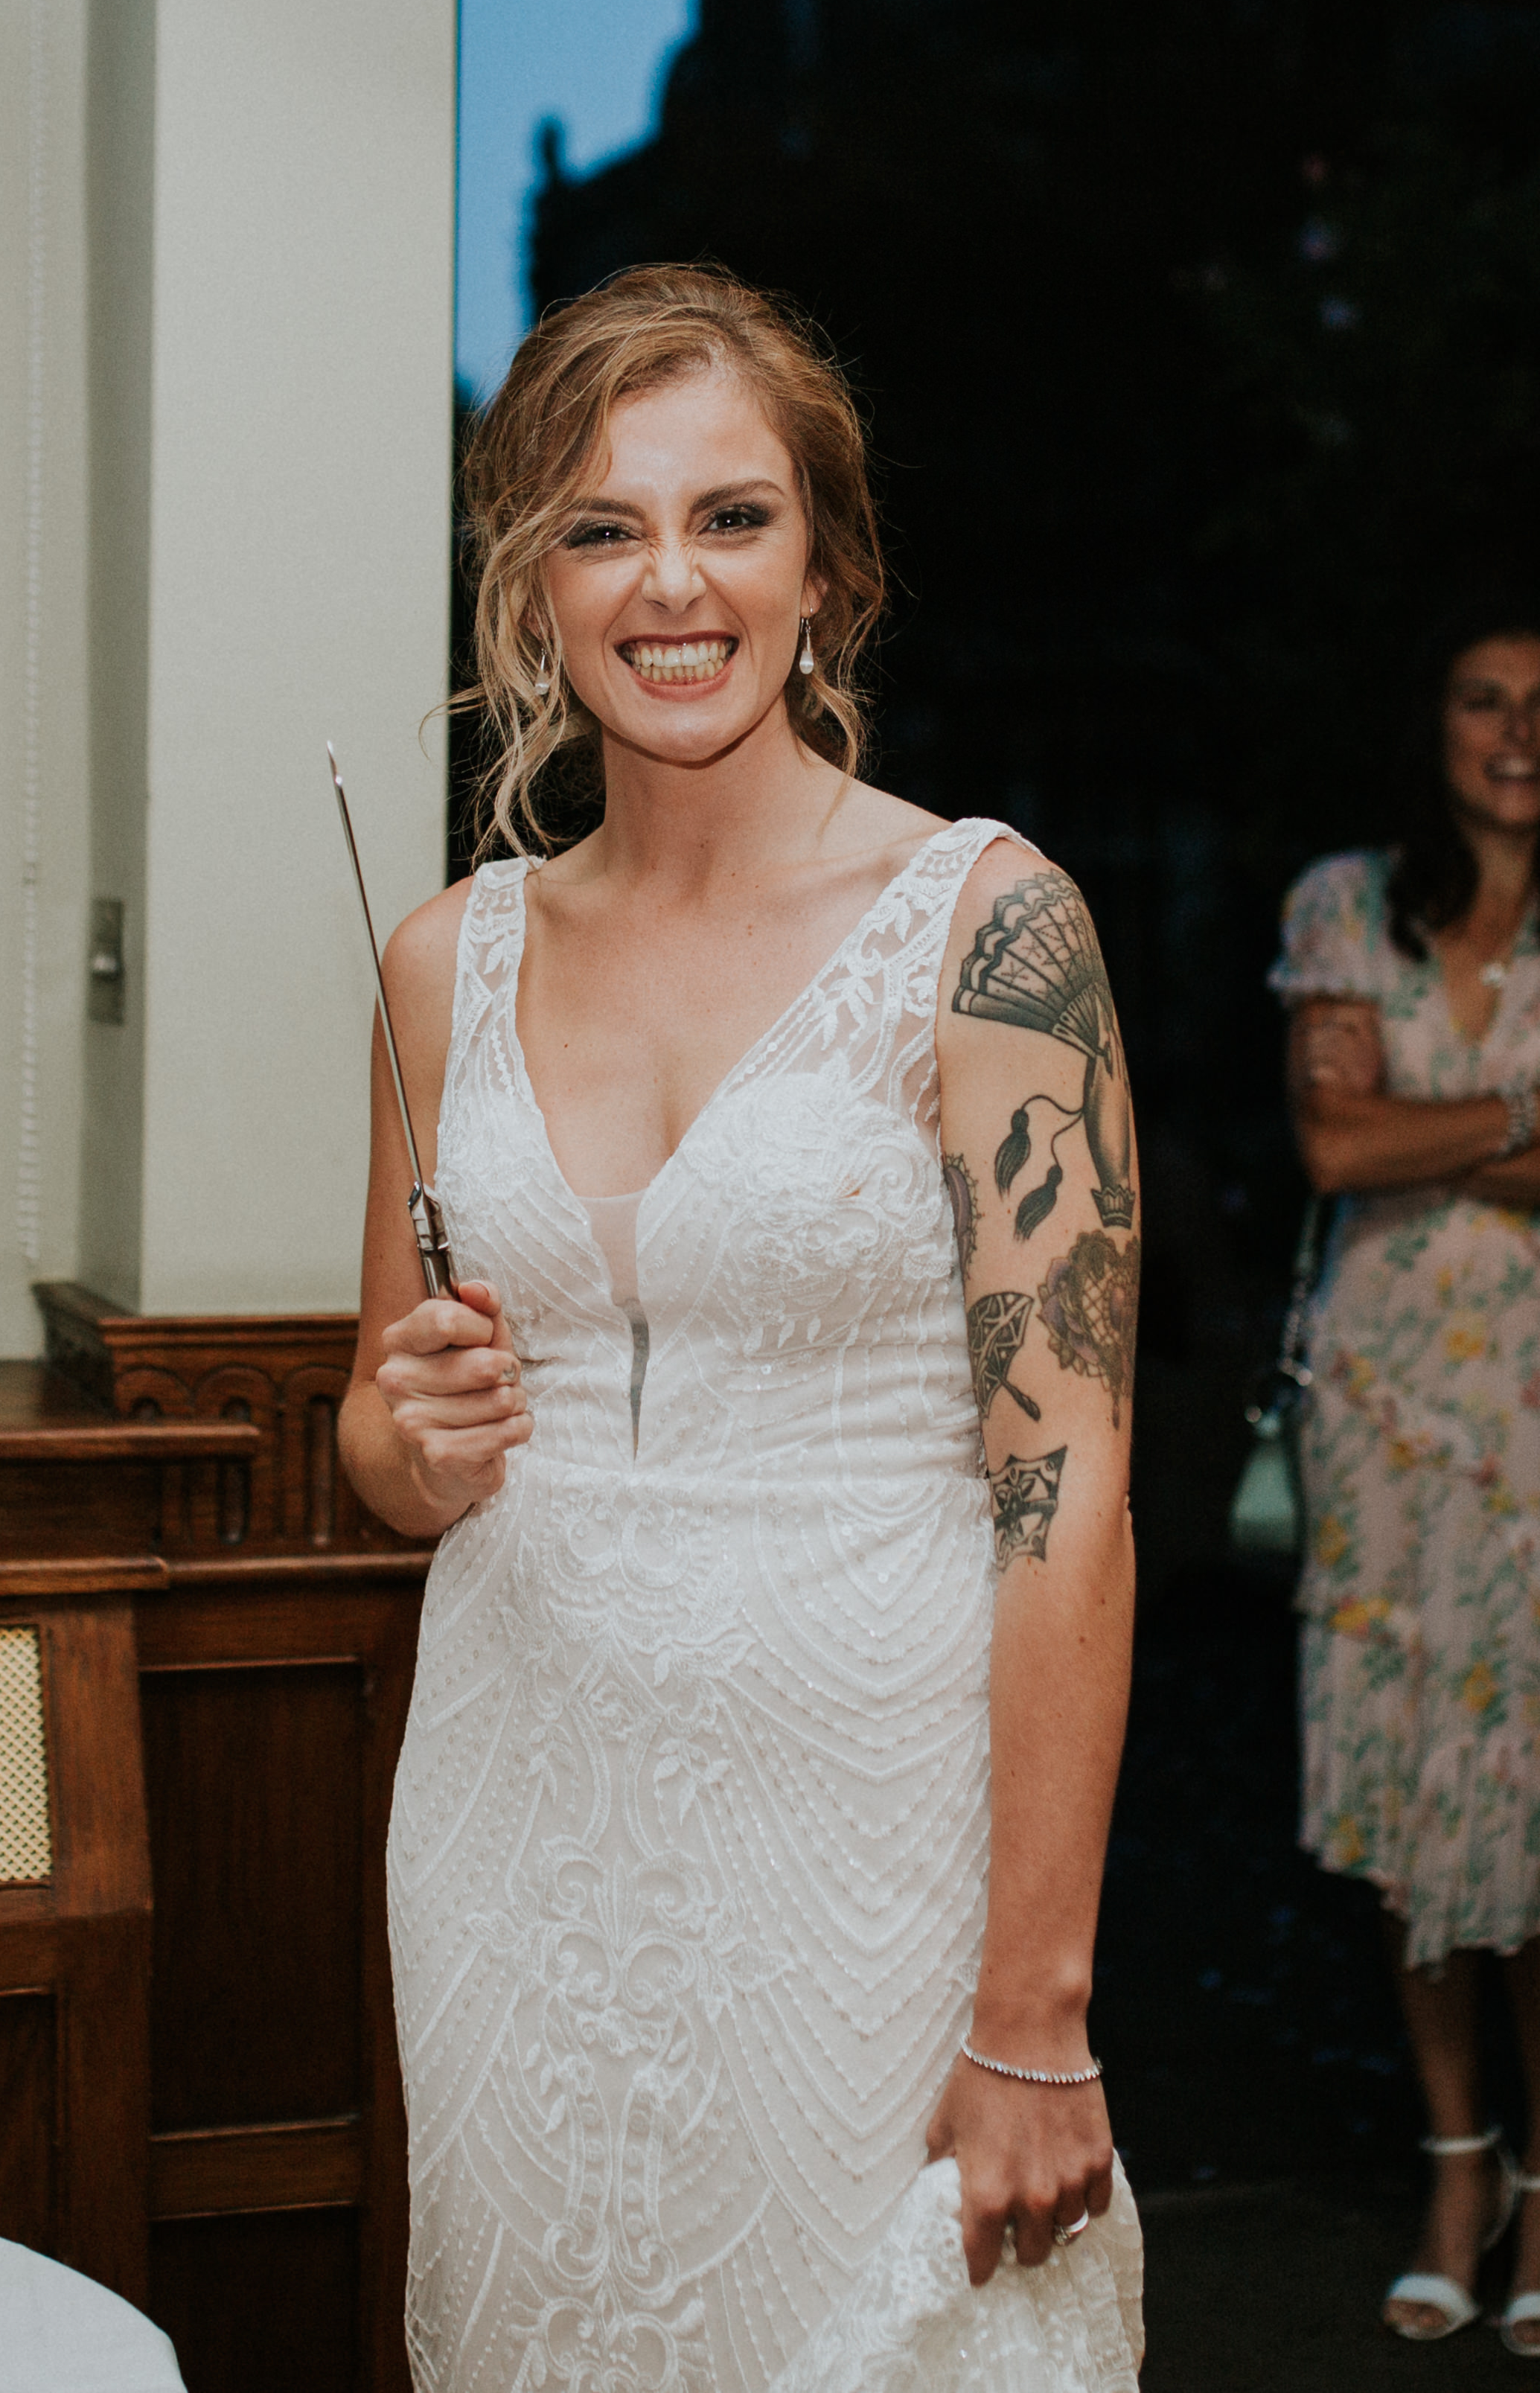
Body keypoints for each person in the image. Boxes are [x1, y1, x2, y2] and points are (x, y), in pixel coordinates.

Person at [336, 266, 1146, 2392]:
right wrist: (409, 1438)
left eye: (731, 516)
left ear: (828, 574)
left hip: (865, 1834)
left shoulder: (984, 928)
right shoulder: (440, 957)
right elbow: (380, 1436)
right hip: (520, 1819)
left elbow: (1066, 1503)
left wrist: (1032, 2006)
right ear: (529, 588)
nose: (667, 581)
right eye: (601, 526)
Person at [1275, 606, 1540, 2357]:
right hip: (1375, 1410)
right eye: (1477, 701)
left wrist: (1455, 1125)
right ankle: (1453, 2164)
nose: (1513, 732)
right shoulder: (1339, 903)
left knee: (1538, 1788)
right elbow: (1332, 1143)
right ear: (1428, 724)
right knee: (1411, 1792)